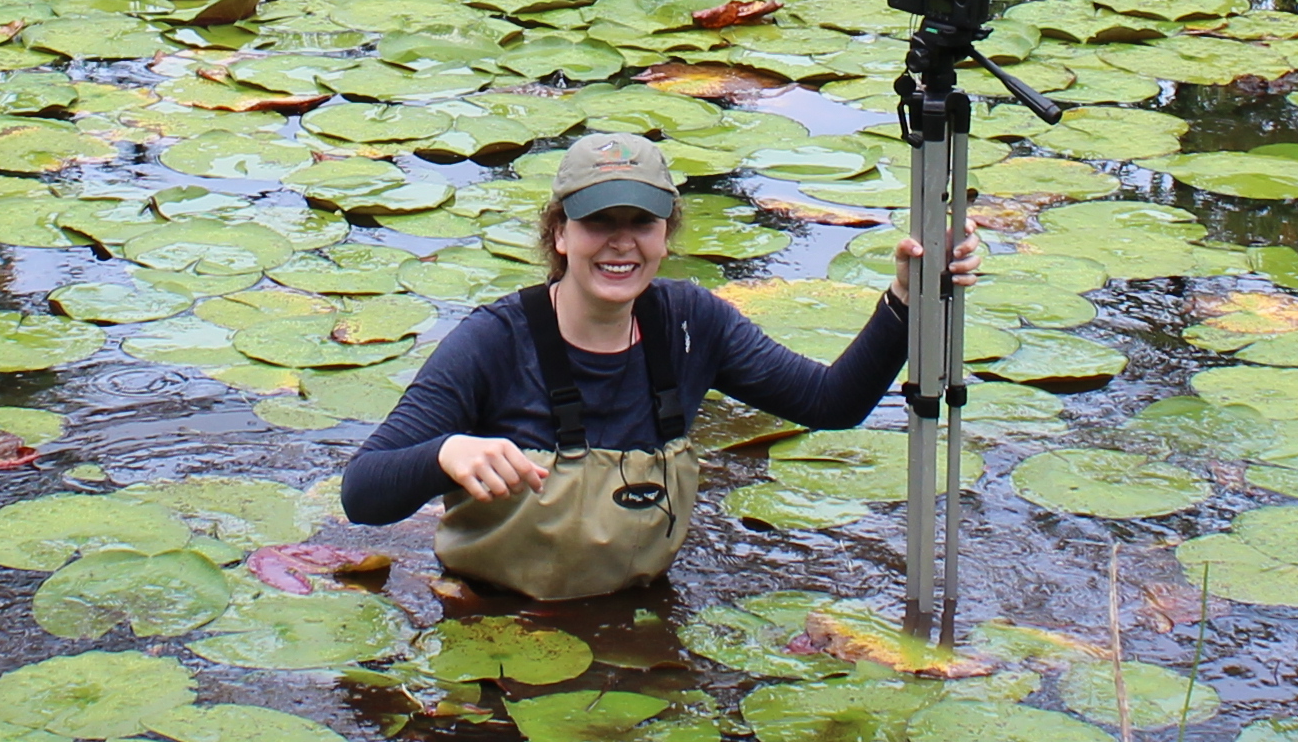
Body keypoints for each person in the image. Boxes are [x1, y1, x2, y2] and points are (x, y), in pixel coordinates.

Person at [336, 129, 975, 603]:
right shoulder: (492, 343)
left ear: (666, 234)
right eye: (598, 222)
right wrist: (445, 453)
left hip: (638, 611)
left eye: (642, 221)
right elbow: (362, 492)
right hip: (493, 623)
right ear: (560, 234)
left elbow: (832, 403)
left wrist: (907, 298)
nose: (622, 242)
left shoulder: (692, 323)